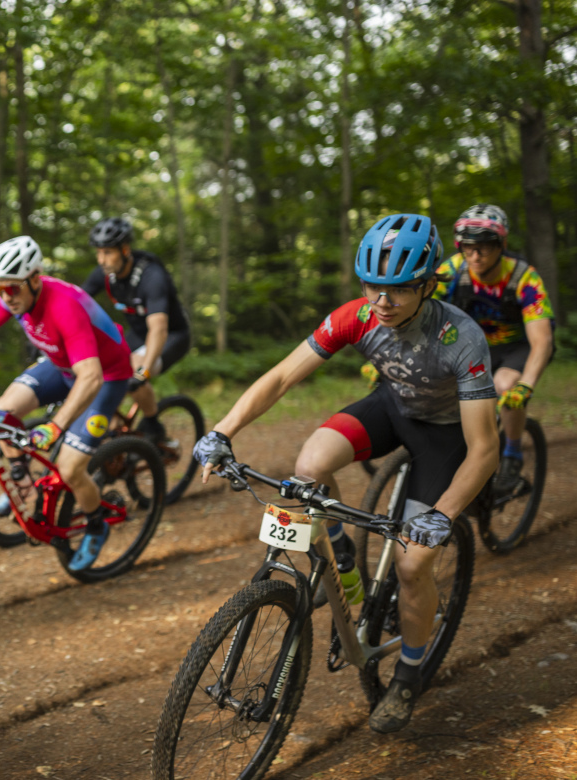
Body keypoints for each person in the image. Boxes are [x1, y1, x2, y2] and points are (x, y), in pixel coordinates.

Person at [193, 213, 498, 734]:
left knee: (410, 564)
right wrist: (222, 430)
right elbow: (283, 375)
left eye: (398, 290)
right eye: (372, 285)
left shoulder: (461, 338)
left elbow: (485, 449)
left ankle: (407, 673)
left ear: (427, 286)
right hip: (392, 407)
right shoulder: (356, 316)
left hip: (446, 435)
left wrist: (443, 515)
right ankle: (344, 558)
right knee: (309, 467)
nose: (382, 300)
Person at [0, 235, 133, 570]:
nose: (6, 297)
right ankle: (24, 484)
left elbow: (89, 376)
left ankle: (96, 523)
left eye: (13, 289)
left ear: (35, 279)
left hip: (105, 376)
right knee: (0, 415)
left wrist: (55, 426)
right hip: (62, 365)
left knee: (70, 467)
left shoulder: (64, 306)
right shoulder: (15, 296)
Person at [434, 203, 555, 495]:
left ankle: (512, 454)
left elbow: (542, 340)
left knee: (504, 385)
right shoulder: (451, 271)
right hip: (473, 345)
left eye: (484, 247)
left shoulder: (524, 277)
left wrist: (526, 385)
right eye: (468, 247)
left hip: (518, 347)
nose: (475, 255)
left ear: (502, 244)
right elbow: (422, 312)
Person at [81, 217, 192, 443]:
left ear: (125, 250)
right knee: (97, 369)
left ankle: (153, 424)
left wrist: (144, 372)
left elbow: (158, 329)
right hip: (138, 334)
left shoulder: (152, 276)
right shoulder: (104, 274)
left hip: (172, 335)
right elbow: (73, 303)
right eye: (99, 253)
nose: (102, 260)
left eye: (108, 253)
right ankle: (116, 430)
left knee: (133, 370)